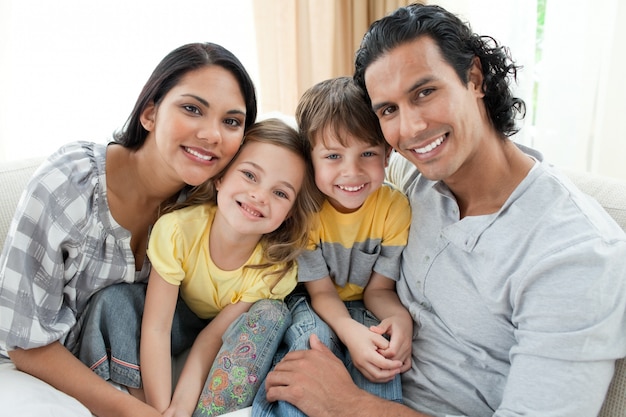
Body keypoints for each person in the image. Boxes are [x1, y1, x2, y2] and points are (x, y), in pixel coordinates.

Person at [260, 4, 626, 417]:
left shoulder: (576, 253)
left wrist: (345, 403)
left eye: (424, 92)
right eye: (389, 110)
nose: (411, 128)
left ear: (474, 78)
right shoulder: (415, 179)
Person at [0, 42, 258, 417]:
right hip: (25, 363)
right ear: (150, 113)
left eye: (231, 121)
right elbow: (24, 342)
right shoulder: (69, 183)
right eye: (192, 109)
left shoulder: (211, 206)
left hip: (126, 370)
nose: (212, 134)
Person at [138, 118, 321, 417]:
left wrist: (184, 407)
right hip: (174, 321)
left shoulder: (274, 270)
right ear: (220, 177)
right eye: (250, 175)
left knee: (272, 314)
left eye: (280, 193)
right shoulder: (177, 231)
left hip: (224, 338)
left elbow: (211, 338)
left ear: (289, 214)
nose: (259, 196)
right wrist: (163, 411)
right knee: (114, 303)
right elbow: (157, 327)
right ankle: (136, 401)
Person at [253, 76, 413, 417]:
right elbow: (321, 293)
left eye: (367, 153)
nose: (351, 172)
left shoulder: (394, 209)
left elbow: (379, 291)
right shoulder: (307, 212)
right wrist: (348, 331)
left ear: (388, 154)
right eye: (333, 156)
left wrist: (400, 320)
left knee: (382, 358)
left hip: (363, 305)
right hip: (313, 301)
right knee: (313, 343)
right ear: (310, 160)